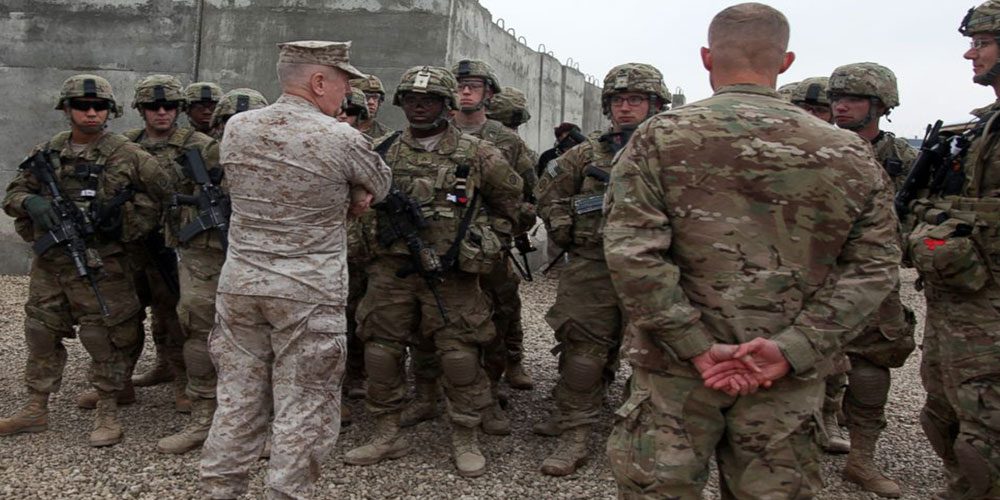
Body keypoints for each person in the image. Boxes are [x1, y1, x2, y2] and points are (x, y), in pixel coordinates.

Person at [602, 3, 901, 497]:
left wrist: (695, 345)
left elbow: (632, 252)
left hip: (676, 371)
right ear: (785, 61)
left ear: (706, 58)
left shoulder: (658, 137)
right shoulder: (848, 151)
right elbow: (875, 266)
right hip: (783, 376)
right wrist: (794, 348)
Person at [198, 40, 391, 499]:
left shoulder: (237, 127)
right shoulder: (340, 138)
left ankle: (220, 491)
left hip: (241, 286)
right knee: (304, 405)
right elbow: (381, 184)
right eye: (343, 82)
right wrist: (352, 193)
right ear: (319, 81)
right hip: (308, 292)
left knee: (237, 400)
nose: (347, 93)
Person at [343, 65, 523, 478]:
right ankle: (387, 431)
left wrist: (482, 243)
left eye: (429, 100)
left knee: (460, 355)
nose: (419, 106)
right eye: (411, 99)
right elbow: (355, 204)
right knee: (381, 351)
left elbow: (512, 204)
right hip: (391, 271)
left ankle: (465, 434)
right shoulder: (383, 150)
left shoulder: (477, 153)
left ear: (446, 104)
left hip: (451, 274)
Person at [0, 74, 174, 447]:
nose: (91, 113)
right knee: (41, 331)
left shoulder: (127, 154)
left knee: (104, 336)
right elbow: (13, 193)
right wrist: (31, 201)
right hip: (52, 263)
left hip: (103, 263)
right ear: (67, 109)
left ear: (110, 111)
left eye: (98, 107)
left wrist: (127, 220)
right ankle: (35, 407)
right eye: (82, 106)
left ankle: (108, 411)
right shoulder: (48, 151)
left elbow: (167, 194)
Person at [533, 62, 670, 476]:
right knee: (582, 355)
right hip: (593, 265)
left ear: (655, 104)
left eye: (636, 100)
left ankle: (642, 434)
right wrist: (562, 224)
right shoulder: (585, 153)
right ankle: (574, 431)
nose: (625, 108)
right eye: (618, 100)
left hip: (655, 269)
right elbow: (548, 193)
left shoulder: (674, 151)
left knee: (654, 356)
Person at [907, 3, 1000, 498]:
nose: (971, 53)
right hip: (957, 301)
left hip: (990, 309)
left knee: (986, 429)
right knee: (943, 413)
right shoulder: (978, 130)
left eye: (983, 43)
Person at [156, 88, 269, 456]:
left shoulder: (280, 160)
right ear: (217, 126)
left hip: (259, 258)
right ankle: (203, 417)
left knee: (261, 338)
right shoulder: (199, 153)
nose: (238, 130)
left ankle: (258, 423)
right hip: (204, 256)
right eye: (229, 123)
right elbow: (165, 194)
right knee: (198, 330)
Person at [828, 61, 918, 498]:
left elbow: (922, 212)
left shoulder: (904, 158)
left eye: (853, 99)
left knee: (871, 365)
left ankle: (861, 459)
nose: (841, 107)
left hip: (874, 276)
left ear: (880, 105)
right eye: (837, 99)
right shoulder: (816, 147)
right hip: (817, 272)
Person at [108, 74, 212, 415]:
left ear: (179, 109)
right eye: (153, 106)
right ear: (141, 109)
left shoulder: (198, 145)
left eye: (169, 105)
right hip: (130, 244)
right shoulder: (123, 145)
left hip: (174, 244)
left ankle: (183, 382)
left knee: (175, 315)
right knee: (123, 314)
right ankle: (117, 384)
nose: (162, 112)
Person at [351, 74, 391, 139]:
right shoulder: (336, 129)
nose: (371, 102)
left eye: (375, 97)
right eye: (365, 96)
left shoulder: (387, 136)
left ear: (380, 101)